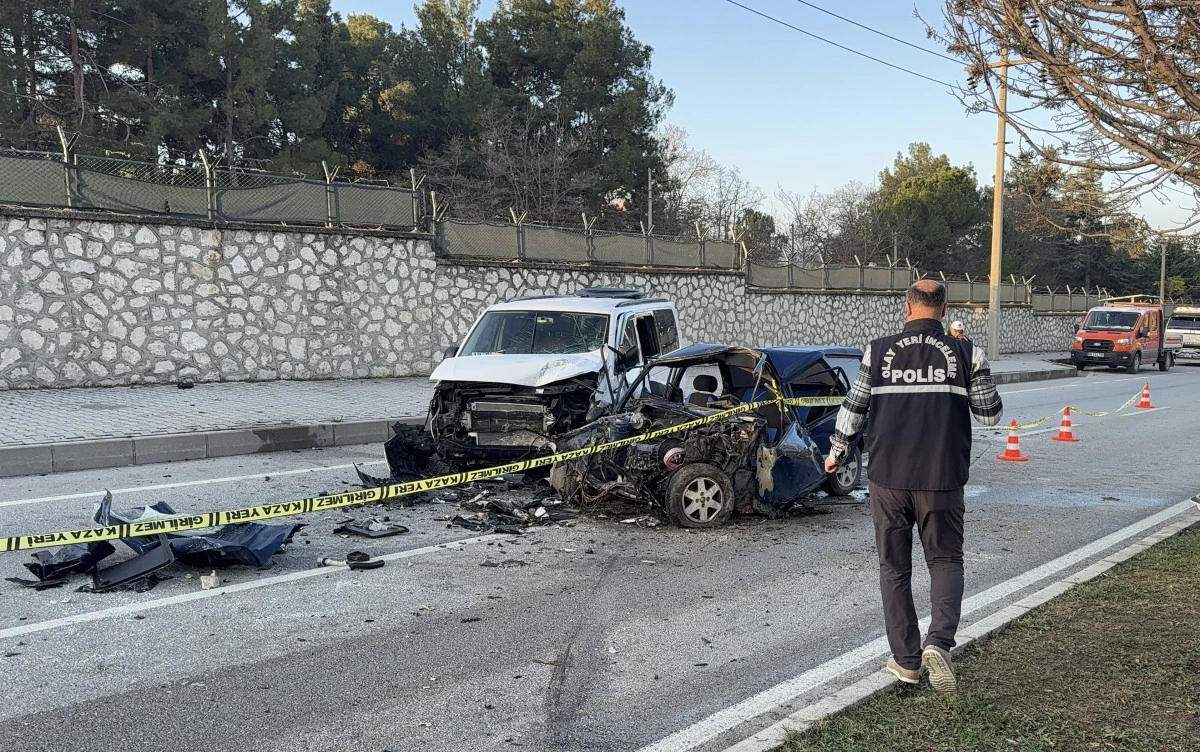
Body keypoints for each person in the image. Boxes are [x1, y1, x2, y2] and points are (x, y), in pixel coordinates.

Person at [824, 280, 1002, 692]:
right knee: (944, 560)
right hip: (942, 478)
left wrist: (836, 452)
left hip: (888, 478)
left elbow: (853, 409)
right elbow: (990, 415)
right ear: (943, 309)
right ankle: (939, 642)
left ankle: (906, 661)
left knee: (894, 567)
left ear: (907, 308)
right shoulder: (966, 352)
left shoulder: (877, 350)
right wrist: (973, 356)